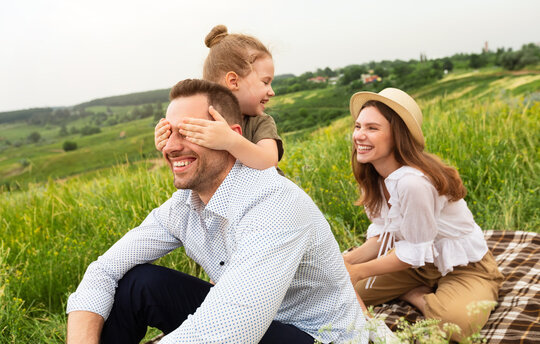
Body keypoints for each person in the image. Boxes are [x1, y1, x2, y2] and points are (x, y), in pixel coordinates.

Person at [66, 79, 370, 344]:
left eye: (189, 131)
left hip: (315, 336)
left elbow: (227, 334)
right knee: (140, 283)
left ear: (231, 136)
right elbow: (103, 270)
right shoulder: (183, 206)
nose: (171, 146)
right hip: (252, 325)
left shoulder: (274, 202)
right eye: (167, 132)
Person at [343, 88, 504, 341]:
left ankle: (416, 294)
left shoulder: (413, 183)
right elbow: (384, 235)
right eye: (358, 126)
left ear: (397, 136)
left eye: (372, 128)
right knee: (342, 292)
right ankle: (420, 288)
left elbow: (413, 252)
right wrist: (348, 263)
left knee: (455, 326)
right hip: (416, 265)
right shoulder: (373, 174)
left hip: (463, 265)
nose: (359, 135)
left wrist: (359, 271)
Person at [155, 25, 284, 173]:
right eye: (265, 82)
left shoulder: (260, 122)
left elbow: (269, 162)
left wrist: (229, 140)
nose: (271, 91)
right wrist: (167, 140)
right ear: (233, 81)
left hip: (266, 194)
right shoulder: (203, 121)